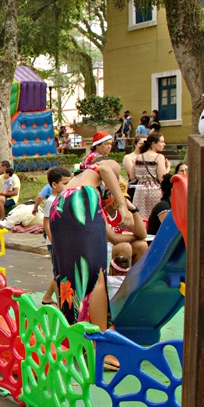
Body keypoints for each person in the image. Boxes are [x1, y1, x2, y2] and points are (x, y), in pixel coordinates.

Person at [49, 141, 132, 331]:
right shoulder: (104, 165)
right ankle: (100, 336)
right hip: (80, 201)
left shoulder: (78, 180)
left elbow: (112, 237)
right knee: (96, 274)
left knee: (68, 274)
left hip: (60, 205)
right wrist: (122, 205)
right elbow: (106, 169)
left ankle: (73, 331)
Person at [41, 166, 71, 306]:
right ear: (54, 184)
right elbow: (46, 223)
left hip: (63, 241)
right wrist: (54, 241)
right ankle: (61, 304)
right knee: (59, 273)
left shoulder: (64, 198)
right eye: (65, 183)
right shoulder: (50, 201)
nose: (68, 186)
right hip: (55, 242)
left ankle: (47, 297)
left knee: (61, 271)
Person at [104, 179, 148, 266]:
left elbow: (142, 234)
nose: (121, 201)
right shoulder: (100, 209)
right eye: (117, 197)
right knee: (125, 247)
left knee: (142, 245)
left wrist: (134, 210)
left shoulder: (122, 211)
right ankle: (119, 278)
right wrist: (134, 237)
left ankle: (135, 278)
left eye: (123, 198)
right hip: (102, 246)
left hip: (116, 245)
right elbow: (114, 238)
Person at [132, 132, 168, 219]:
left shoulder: (138, 157)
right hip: (154, 190)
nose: (164, 144)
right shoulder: (158, 157)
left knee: (141, 217)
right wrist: (168, 167)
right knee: (154, 217)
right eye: (162, 142)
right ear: (153, 143)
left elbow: (132, 176)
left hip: (140, 190)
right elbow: (162, 177)